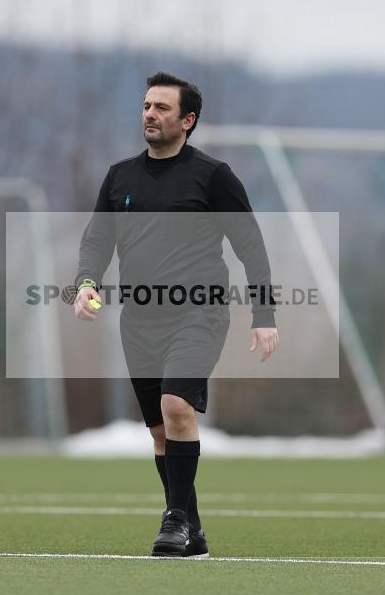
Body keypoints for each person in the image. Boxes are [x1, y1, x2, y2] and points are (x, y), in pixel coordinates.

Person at [74, 72, 279, 557]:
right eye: (147, 105)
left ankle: (175, 521)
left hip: (199, 313)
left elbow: (251, 246)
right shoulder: (120, 177)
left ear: (187, 120)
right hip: (139, 320)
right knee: (161, 432)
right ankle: (194, 529)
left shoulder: (213, 176)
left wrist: (264, 314)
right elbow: (97, 240)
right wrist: (86, 284)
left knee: (176, 405)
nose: (150, 114)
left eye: (162, 107)